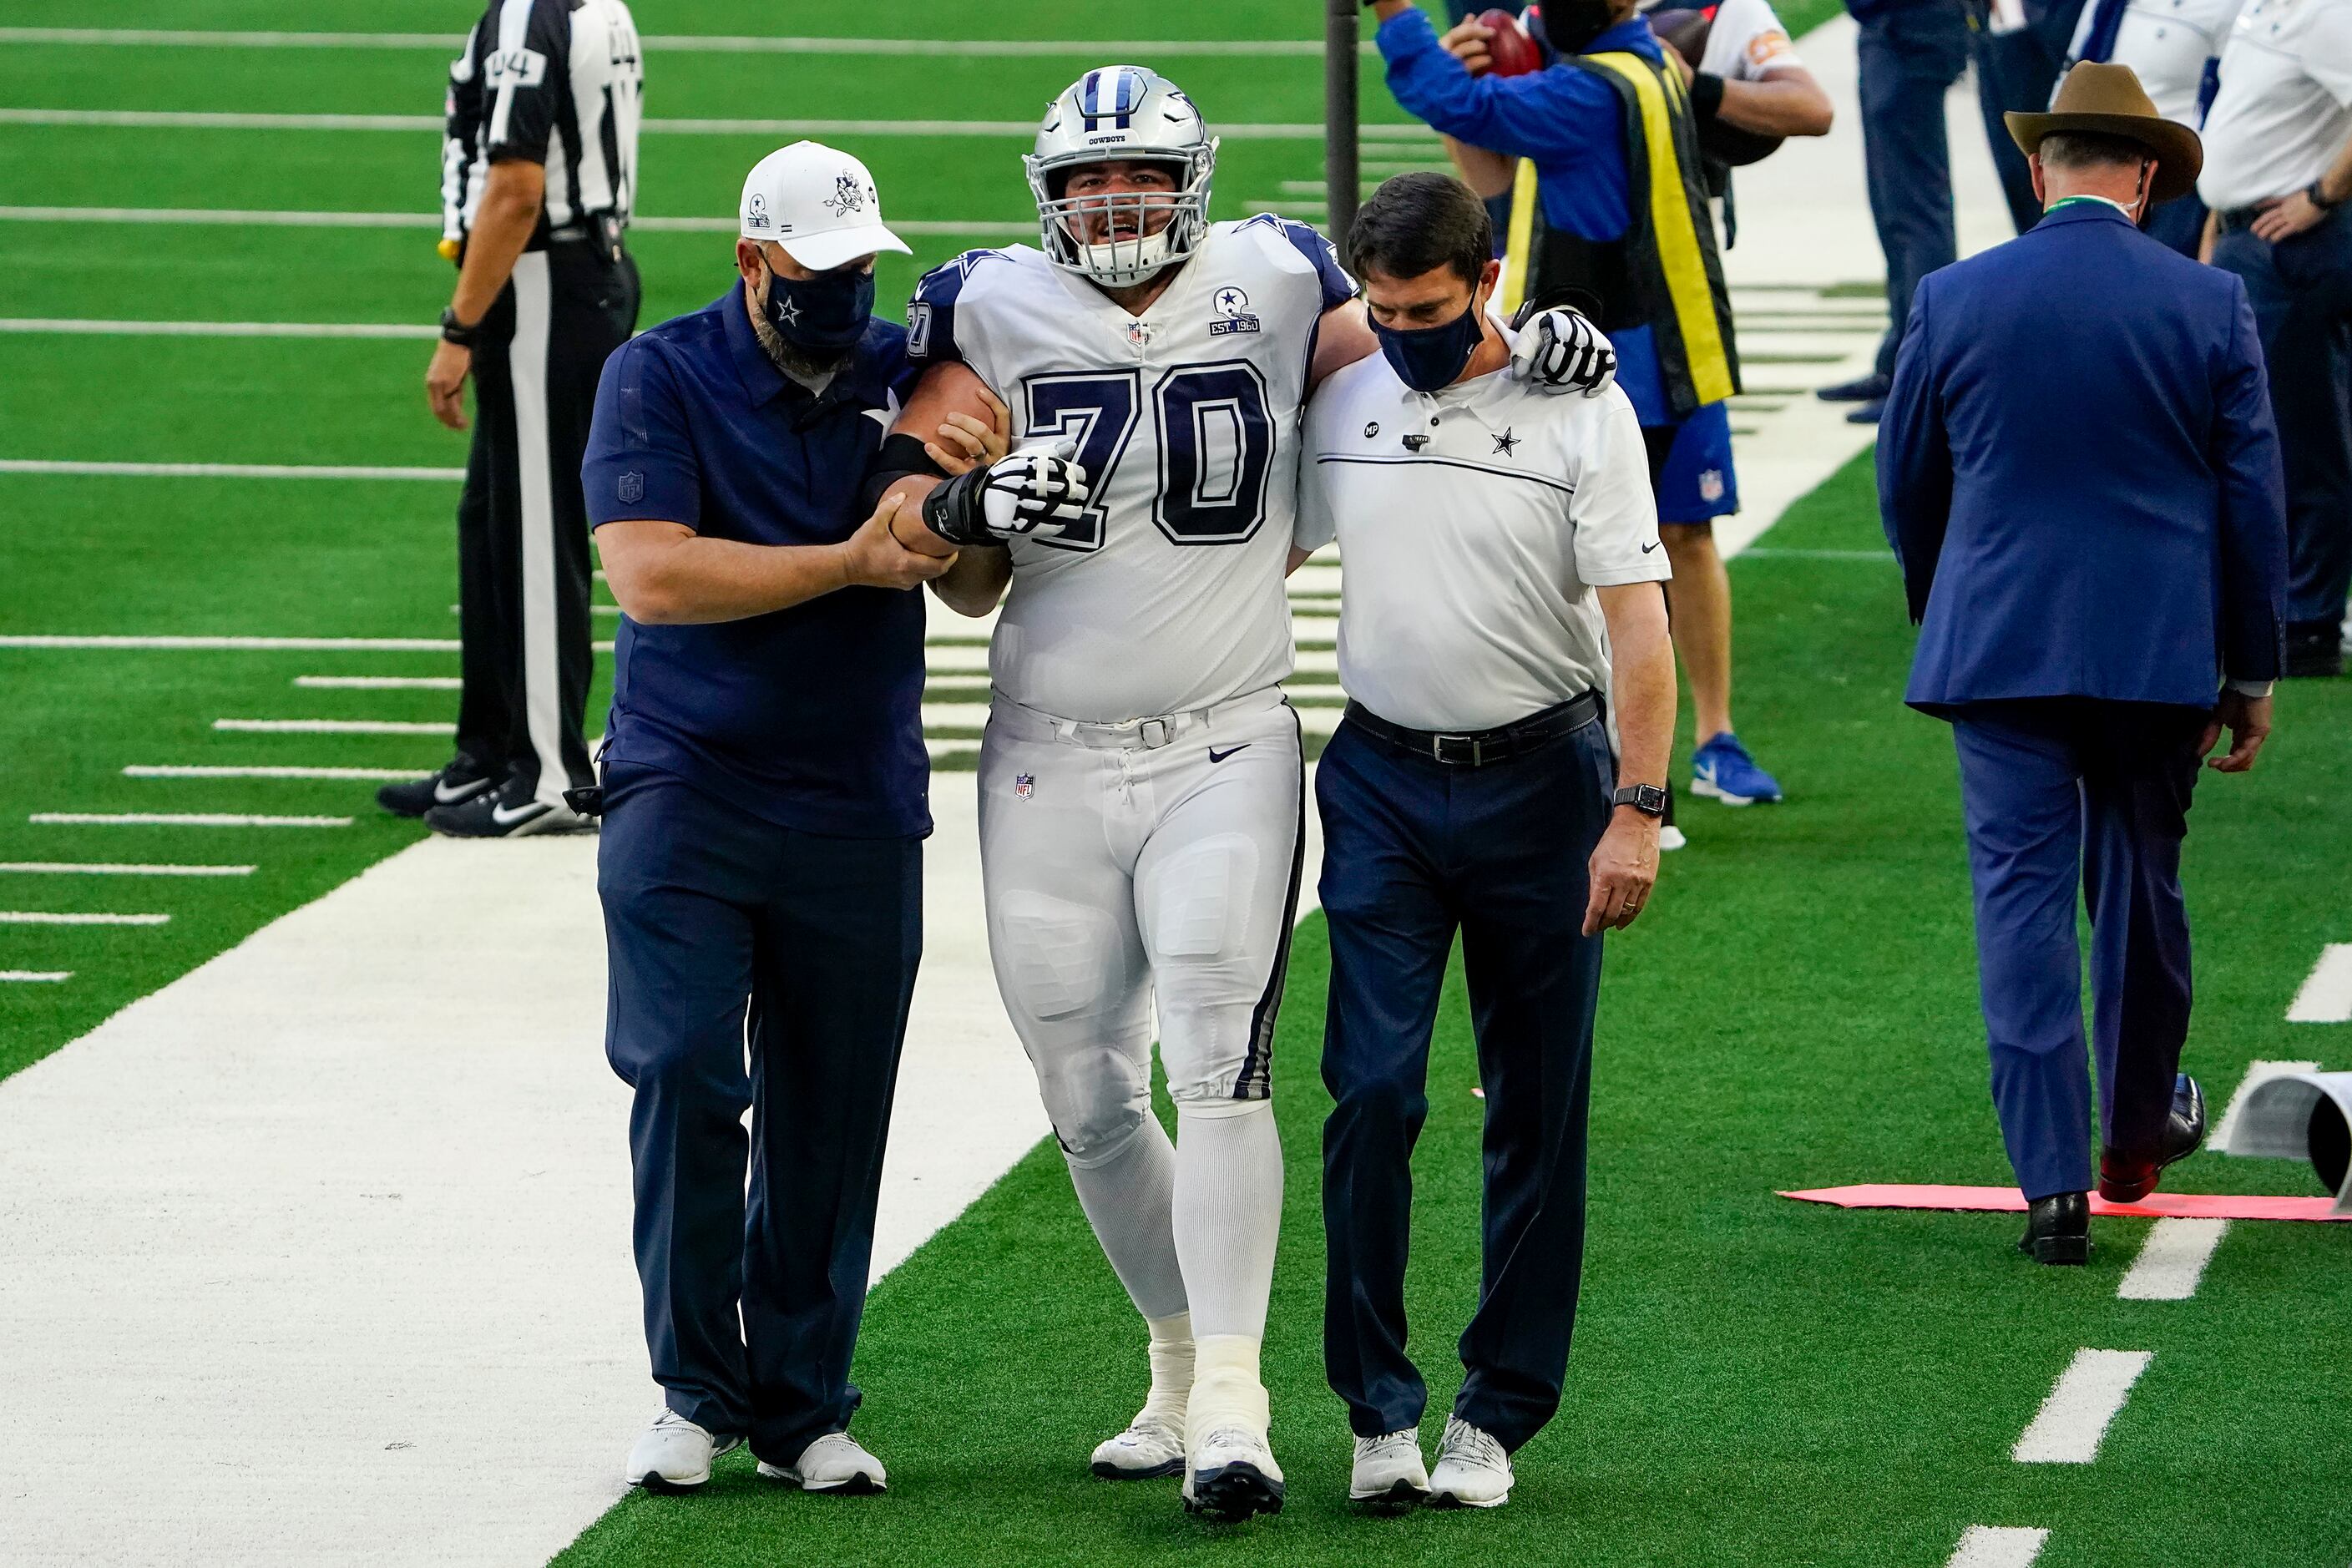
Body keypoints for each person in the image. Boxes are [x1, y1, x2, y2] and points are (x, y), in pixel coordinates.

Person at [866, 64, 1611, 1523]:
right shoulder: (989, 306)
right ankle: (1172, 1355)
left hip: (1224, 738)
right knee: (1083, 1090)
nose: (1116, 202)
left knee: (1222, 1061)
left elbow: (1424, 350)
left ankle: (1232, 1399)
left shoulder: (1276, 274)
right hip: (1044, 745)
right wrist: (967, 512)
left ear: (1191, 177)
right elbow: (919, 536)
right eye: (1087, 181)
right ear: (1048, 193)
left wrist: (1535, 343)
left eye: (1138, 173)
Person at [581, 143, 1078, 1496]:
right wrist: (850, 562)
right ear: (752, 263)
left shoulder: (901, 385)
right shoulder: (660, 374)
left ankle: (801, 1404)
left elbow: (967, 589)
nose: (841, 296)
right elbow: (655, 575)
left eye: (858, 272)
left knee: (831, 1106)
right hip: (688, 785)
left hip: (856, 792)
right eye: (814, 274)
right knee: (685, 1069)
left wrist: (984, 501)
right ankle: (695, 1384)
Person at [1298, 172, 1675, 1512]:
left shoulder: (1580, 403)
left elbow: (1636, 620)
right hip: (1381, 783)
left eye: (1431, 309)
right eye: (1381, 308)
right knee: (1373, 1093)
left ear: (1486, 283)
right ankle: (1376, 1410)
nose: (1404, 331)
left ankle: (1494, 1412)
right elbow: (1243, 549)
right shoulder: (1343, 396)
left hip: (1545, 784)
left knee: (1535, 1107)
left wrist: (1637, 808)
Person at [1878, 64, 2288, 1265]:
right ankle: (2132, 1141)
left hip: (1998, 645)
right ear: (2149, 177)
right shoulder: (2209, 303)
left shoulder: (1955, 295)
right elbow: (2252, 506)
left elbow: (1909, 482)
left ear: (2035, 168)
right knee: (2140, 893)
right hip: (2158, 652)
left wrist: (1948, 603)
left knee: (2019, 906)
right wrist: (2251, 670)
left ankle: (2050, 1187)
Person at [1373, 0, 1788, 819]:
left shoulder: (1586, 91)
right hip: (1673, 336)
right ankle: (1695, 749)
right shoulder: (1646, 62)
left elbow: (1461, 109)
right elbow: (1494, 172)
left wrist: (1397, 17)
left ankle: (1647, 769)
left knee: (1610, 563)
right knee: (1674, 542)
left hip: (1609, 356)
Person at [380, 0, 642, 837]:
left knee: (534, 535)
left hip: (543, 284)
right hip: (565, 276)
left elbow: (518, 187)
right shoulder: (582, 7)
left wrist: (459, 327)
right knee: (492, 522)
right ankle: (489, 753)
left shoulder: (531, 14)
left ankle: (548, 770)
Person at [2198, 0, 2352, 677]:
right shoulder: (2262, 8)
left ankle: (2310, 619)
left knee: (2294, 431)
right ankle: (2294, 608)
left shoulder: (2326, 12)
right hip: (2245, 234)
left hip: (2293, 241)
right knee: (2273, 426)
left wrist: (2319, 195)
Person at [1815, 0, 1969, 424]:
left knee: (1915, 213)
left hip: (1908, 28)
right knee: (1895, 211)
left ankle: (1920, 373)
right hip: (1892, 28)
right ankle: (1900, 359)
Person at [2059, 0, 2243, 253]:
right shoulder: (2108, 5)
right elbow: (2074, 73)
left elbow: (2229, 102)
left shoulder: (2227, 8)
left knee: (2158, 284)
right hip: (2101, 166)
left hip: (2176, 183)